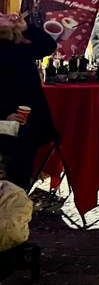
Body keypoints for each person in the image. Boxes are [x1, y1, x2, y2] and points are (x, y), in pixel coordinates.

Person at [0, 13, 57, 191]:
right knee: (12, 173)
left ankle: (18, 201)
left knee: (21, 172)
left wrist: (26, 27)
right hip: (7, 122)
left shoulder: (19, 45)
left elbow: (48, 46)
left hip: (28, 119)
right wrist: (4, 115)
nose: (5, 16)